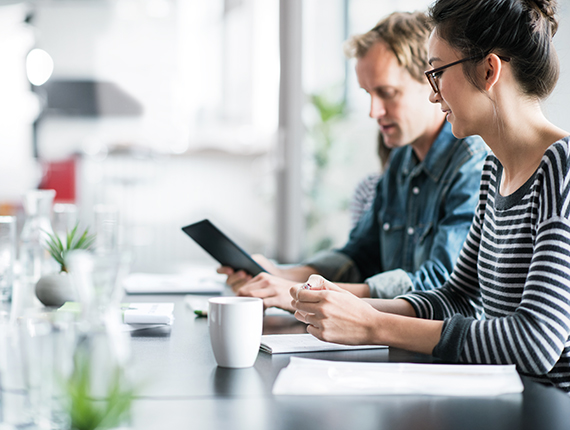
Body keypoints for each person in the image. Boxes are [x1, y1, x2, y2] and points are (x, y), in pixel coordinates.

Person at [291, 0, 570, 394]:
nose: (432, 93)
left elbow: (536, 342)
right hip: (504, 398)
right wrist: (346, 304)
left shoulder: (562, 170)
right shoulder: (495, 171)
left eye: (437, 72)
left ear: (489, 70)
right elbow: (458, 297)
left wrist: (372, 324)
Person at [219, 11, 487, 311]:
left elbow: (440, 283)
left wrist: (303, 292)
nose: (374, 112)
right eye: (368, 94)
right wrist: (279, 275)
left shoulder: (472, 166)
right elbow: (359, 255)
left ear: (432, 82)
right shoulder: (401, 161)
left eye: (386, 93)